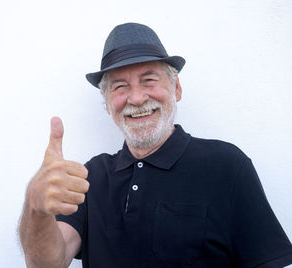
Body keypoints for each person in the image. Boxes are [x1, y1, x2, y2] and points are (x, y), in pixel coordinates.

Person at [19, 23, 292, 267]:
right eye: (120, 86)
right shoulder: (91, 176)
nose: (136, 98)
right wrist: (36, 205)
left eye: (149, 80)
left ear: (177, 89)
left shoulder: (226, 166)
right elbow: (46, 264)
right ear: (107, 104)